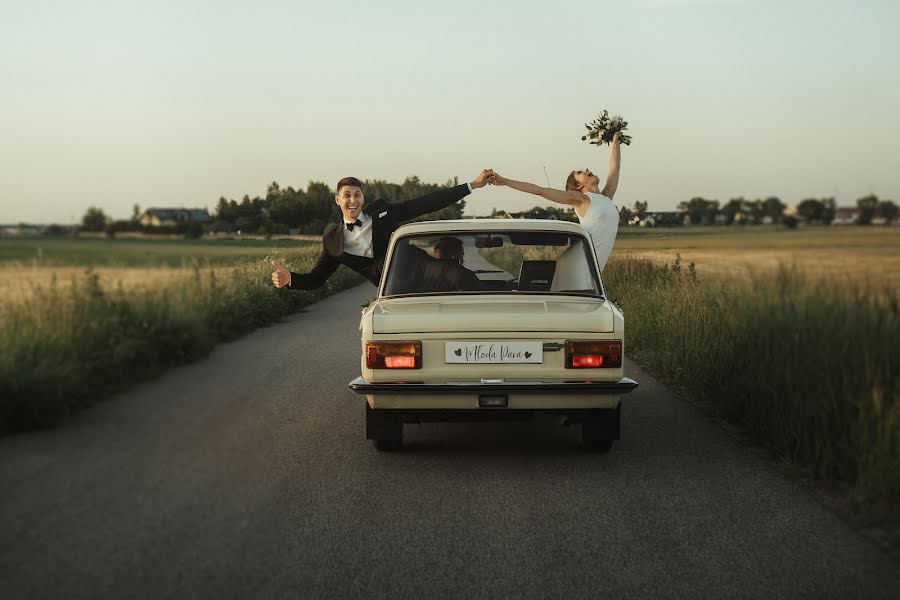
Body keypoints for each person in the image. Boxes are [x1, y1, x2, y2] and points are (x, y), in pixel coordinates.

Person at [271, 171, 493, 290]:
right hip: (394, 290)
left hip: (427, 271)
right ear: (338, 200)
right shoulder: (332, 241)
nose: (353, 200)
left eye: (357, 194)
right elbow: (317, 278)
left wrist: (471, 185)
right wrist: (291, 278)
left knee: (462, 277)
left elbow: (426, 203)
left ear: (363, 197)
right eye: (347, 195)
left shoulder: (383, 213)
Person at [490, 132, 622, 271]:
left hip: (593, 270)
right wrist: (504, 181)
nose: (587, 170)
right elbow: (539, 190)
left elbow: (615, 168)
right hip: (577, 267)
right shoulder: (580, 200)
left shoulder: (606, 198)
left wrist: (615, 143)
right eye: (580, 172)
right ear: (577, 186)